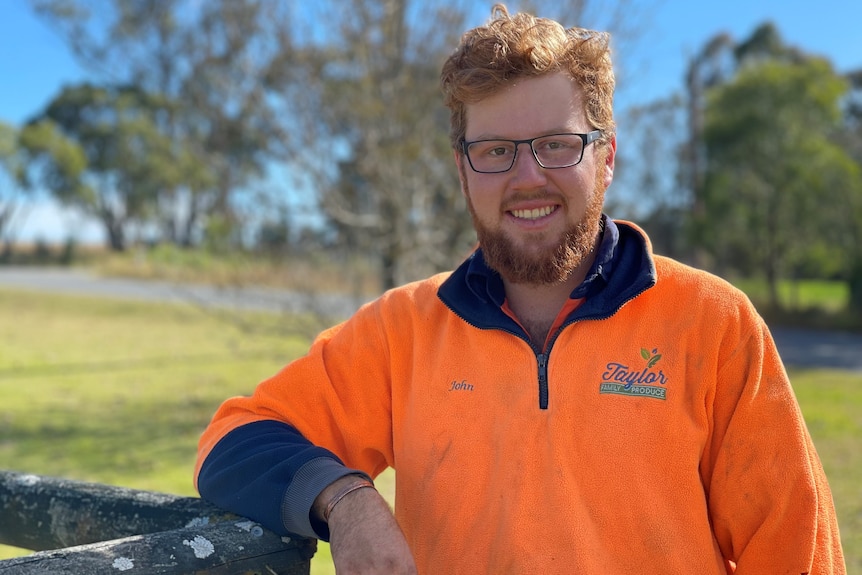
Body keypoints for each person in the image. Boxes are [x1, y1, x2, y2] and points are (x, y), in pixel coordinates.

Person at [195, 5, 846, 573]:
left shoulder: (713, 323)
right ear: (462, 169)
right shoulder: (404, 331)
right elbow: (234, 438)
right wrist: (344, 498)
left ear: (608, 156)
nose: (528, 176)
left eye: (558, 145)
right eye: (496, 150)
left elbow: (796, 550)